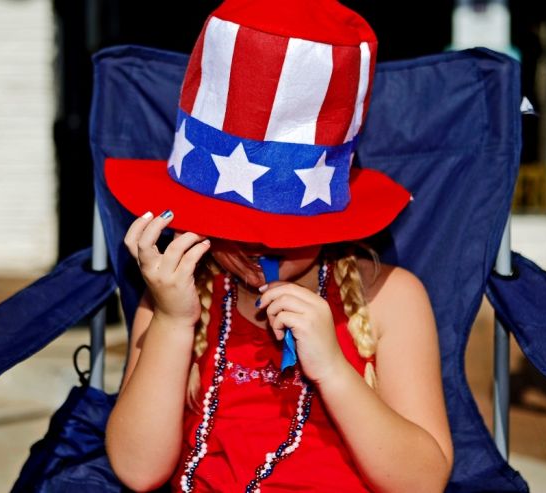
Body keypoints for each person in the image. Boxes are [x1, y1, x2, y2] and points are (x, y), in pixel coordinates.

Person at [103, 1, 453, 491]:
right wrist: (171, 320)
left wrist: (333, 368)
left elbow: (423, 482)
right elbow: (138, 471)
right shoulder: (180, 295)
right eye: (232, 226)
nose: (257, 245)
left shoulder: (388, 299)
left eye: (285, 230)